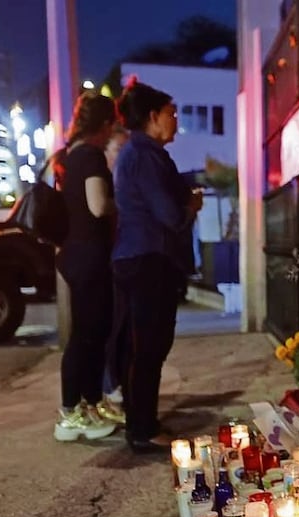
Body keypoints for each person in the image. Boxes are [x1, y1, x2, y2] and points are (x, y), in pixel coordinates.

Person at [113, 79, 202, 452]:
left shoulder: (139, 152)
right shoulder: (145, 154)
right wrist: (189, 207)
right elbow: (166, 213)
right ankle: (143, 429)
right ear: (152, 116)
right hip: (148, 257)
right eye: (171, 113)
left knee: (142, 346)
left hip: (137, 256)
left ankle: (141, 422)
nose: (176, 120)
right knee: (149, 346)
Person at [53, 92, 120, 442]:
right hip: (89, 255)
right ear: (105, 124)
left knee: (92, 332)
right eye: (112, 125)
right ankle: (70, 412)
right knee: (87, 335)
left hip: (75, 255)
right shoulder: (91, 156)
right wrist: (122, 199)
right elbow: (97, 206)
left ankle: (90, 404)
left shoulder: (69, 155)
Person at [96, 126, 130, 426]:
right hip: (104, 266)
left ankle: (115, 388)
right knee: (108, 329)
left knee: (121, 328)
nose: (124, 154)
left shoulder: (121, 181)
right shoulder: (104, 184)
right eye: (119, 149)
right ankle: (109, 390)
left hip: (120, 263)